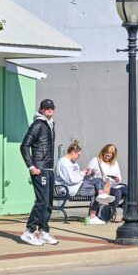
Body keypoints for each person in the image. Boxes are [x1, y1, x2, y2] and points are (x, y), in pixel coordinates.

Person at [20, 99, 57, 245]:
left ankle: (44, 232)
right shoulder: (38, 125)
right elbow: (24, 146)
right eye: (46, 108)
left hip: (48, 168)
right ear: (40, 109)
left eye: (51, 108)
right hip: (39, 168)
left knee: (48, 202)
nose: (49, 110)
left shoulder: (50, 124)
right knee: (41, 201)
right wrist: (31, 166)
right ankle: (28, 232)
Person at [55, 140, 116, 227]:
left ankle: (98, 201)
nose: (78, 157)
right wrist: (83, 173)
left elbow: (78, 176)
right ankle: (92, 216)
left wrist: (89, 173)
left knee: (98, 181)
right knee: (98, 188)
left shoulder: (73, 162)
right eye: (78, 155)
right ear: (73, 152)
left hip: (78, 185)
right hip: (68, 188)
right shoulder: (63, 162)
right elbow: (71, 180)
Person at [89, 143, 127, 223]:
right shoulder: (96, 160)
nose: (106, 157)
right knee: (117, 192)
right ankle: (111, 215)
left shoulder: (114, 163)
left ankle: (126, 215)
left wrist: (117, 179)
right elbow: (88, 173)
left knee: (128, 190)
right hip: (100, 186)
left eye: (109, 156)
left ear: (113, 156)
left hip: (112, 184)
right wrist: (92, 171)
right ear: (102, 152)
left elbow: (119, 176)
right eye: (105, 155)